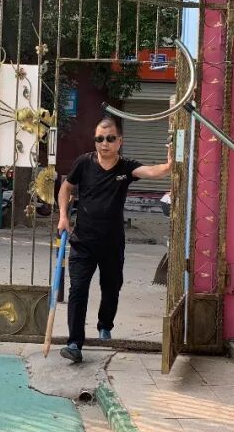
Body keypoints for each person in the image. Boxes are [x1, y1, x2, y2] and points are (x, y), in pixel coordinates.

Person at [57, 113, 172, 363]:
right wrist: (63, 216)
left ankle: (104, 325)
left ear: (120, 141)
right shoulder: (83, 163)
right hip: (83, 242)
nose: (104, 144)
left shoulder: (126, 167)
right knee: (78, 290)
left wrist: (170, 162)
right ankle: (74, 343)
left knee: (111, 288)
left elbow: (154, 171)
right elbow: (66, 187)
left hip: (112, 244)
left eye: (110, 139)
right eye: (99, 139)